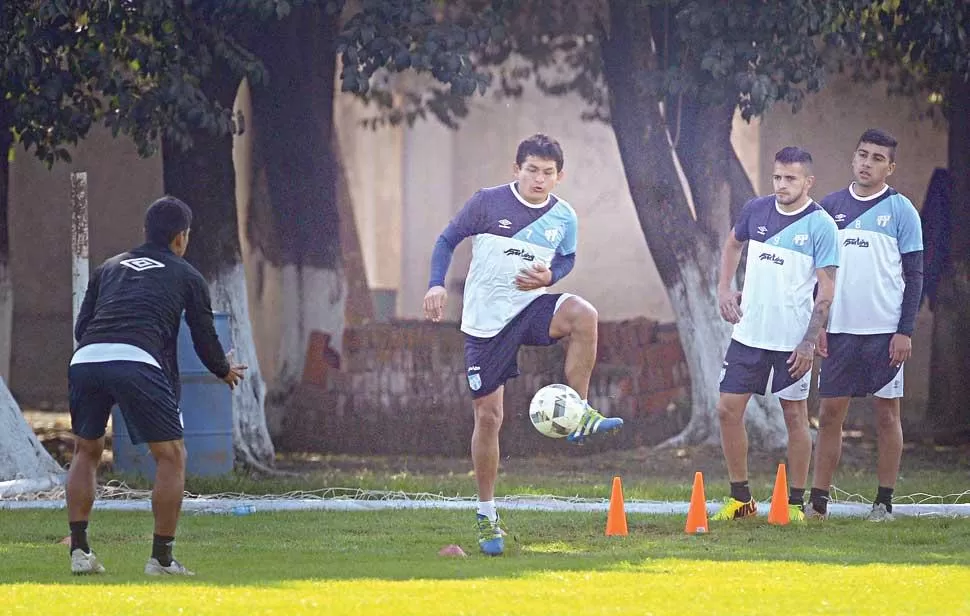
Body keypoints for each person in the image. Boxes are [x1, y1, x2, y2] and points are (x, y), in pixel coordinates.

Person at [423, 133, 623, 556]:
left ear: (558, 176)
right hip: (485, 324)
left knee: (584, 314)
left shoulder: (564, 216)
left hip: (529, 309)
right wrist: (436, 285)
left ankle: (577, 413)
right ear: (517, 170)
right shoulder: (486, 202)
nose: (539, 179)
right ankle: (486, 513)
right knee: (489, 416)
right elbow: (446, 240)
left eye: (548, 173)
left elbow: (566, 258)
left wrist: (551, 278)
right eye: (531, 169)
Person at [66, 196, 247, 575]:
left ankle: (79, 553)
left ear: (145, 232)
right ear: (180, 238)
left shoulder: (108, 268)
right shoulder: (186, 274)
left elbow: (83, 329)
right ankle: (161, 559)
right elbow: (204, 334)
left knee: (87, 450)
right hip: (136, 360)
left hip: (85, 359)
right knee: (172, 456)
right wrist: (222, 370)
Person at [713, 146, 839, 522]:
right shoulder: (756, 210)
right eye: (778, 177)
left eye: (791, 179)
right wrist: (723, 288)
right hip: (748, 335)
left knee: (795, 418)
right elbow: (733, 243)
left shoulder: (821, 225)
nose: (782, 185)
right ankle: (741, 501)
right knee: (726, 410)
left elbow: (827, 290)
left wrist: (808, 341)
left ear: (808, 181)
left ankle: (795, 504)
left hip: (791, 342)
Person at [809, 129, 924, 522]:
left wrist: (904, 330)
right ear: (852, 158)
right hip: (838, 331)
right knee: (829, 415)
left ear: (890, 167)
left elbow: (915, 275)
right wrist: (818, 325)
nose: (867, 163)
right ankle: (818, 502)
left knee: (887, 415)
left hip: (884, 335)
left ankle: (883, 503)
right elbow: (818, 275)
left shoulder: (902, 210)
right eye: (862, 154)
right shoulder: (828, 208)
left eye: (877, 158)